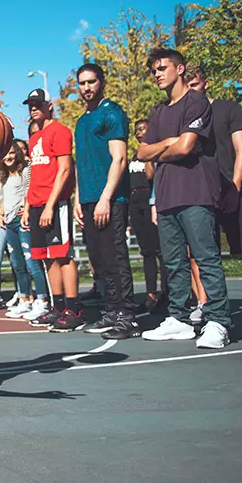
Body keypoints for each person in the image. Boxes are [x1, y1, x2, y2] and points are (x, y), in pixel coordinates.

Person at [138, 49, 230, 348]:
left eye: (162, 68)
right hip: (165, 196)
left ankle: (218, 322)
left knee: (205, 259)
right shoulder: (159, 111)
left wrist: (161, 149)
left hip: (195, 193)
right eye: (154, 70)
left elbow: (187, 147)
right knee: (174, 262)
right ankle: (179, 319)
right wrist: (167, 142)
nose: (157, 73)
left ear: (180, 69)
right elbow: (141, 153)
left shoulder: (197, 102)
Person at [185, 63, 242, 334]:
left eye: (195, 85)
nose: (192, 91)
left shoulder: (228, 109)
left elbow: (241, 149)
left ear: (206, 83)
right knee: (197, 255)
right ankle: (206, 305)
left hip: (228, 189)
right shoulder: (184, 116)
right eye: (187, 87)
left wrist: (235, 186)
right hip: (198, 195)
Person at [71, 64, 138, 339]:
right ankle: (111, 311)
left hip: (110, 198)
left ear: (102, 82)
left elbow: (119, 159)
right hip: (87, 199)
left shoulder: (112, 113)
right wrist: (78, 197)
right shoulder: (82, 120)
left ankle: (128, 317)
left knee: (115, 256)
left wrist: (105, 198)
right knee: (99, 259)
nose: (86, 88)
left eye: (91, 82)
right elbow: (80, 164)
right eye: (82, 83)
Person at [20, 88, 78, 326]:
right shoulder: (34, 138)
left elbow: (64, 170)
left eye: (37, 104)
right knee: (47, 259)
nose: (33, 108)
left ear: (49, 106)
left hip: (54, 204)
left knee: (63, 256)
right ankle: (58, 307)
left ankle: (74, 311)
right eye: (30, 105)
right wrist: (27, 205)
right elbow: (35, 174)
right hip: (35, 204)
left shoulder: (60, 131)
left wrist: (49, 206)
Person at [0, 142, 50, 317]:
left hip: (22, 221)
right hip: (9, 223)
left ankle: (42, 300)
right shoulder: (4, 176)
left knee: (31, 262)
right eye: (5, 154)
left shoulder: (25, 170)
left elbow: (28, 192)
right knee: (17, 264)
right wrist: (0, 213)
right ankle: (24, 299)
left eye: (11, 153)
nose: (8, 157)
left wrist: (26, 211)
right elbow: (5, 198)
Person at [128, 119, 167, 312]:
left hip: (150, 201)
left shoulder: (154, 154)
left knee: (160, 251)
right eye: (137, 130)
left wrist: (149, 152)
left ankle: (166, 292)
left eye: (143, 129)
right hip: (135, 205)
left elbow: (151, 176)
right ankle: (150, 293)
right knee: (146, 252)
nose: (139, 132)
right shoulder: (133, 157)